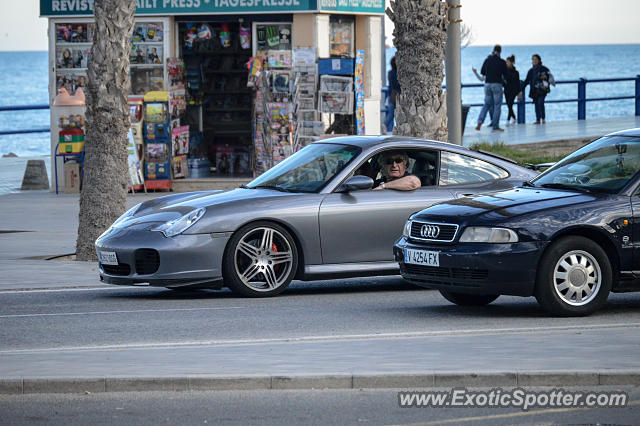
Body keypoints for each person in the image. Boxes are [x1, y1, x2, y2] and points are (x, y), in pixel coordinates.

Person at [474, 45, 507, 132]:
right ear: (500, 51)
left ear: (493, 50)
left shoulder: (487, 60)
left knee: (487, 104)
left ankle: (480, 121)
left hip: (487, 84)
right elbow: (506, 75)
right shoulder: (502, 62)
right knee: (497, 106)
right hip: (497, 84)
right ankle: (495, 126)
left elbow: (482, 72)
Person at [521, 54, 554, 124]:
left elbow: (550, 77)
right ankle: (538, 119)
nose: (534, 61)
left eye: (535, 59)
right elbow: (527, 80)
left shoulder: (544, 68)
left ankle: (543, 118)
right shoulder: (531, 71)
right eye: (533, 59)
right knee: (536, 104)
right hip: (534, 90)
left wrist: (545, 80)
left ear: (539, 60)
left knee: (540, 102)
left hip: (542, 90)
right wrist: (520, 89)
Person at [385, 56, 401, 134]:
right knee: (395, 113)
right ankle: (385, 125)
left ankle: (385, 125)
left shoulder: (390, 73)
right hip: (397, 96)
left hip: (391, 96)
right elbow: (397, 86)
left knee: (391, 113)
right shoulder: (396, 74)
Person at [504, 55, 520, 124]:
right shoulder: (504, 71)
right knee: (508, 104)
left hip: (513, 90)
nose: (506, 63)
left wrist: (519, 92)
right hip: (506, 90)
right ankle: (514, 117)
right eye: (506, 62)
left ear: (511, 62)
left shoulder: (516, 72)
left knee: (510, 104)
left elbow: (518, 82)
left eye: (507, 62)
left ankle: (508, 119)